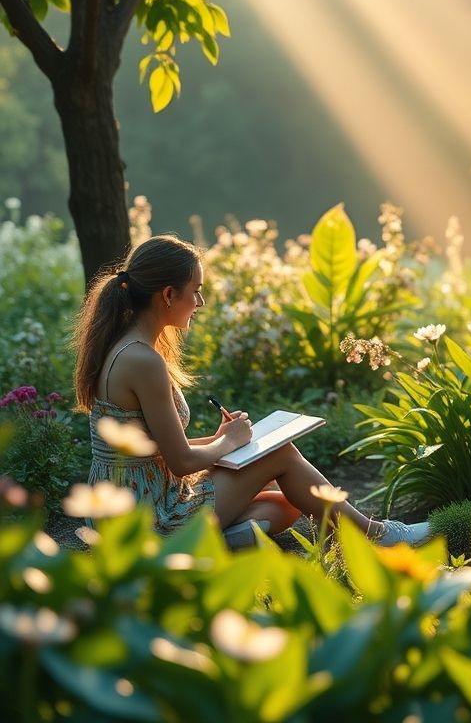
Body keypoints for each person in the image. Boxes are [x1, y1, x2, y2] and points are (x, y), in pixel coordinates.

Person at [73, 234, 430, 547]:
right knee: (281, 455)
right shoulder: (143, 360)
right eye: (196, 292)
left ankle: (219, 543)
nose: (200, 304)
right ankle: (376, 536)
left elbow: (152, 450)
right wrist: (228, 442)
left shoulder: (125, 346)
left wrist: (218, 438)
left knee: (285, 503)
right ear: (168, 294)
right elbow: (180, 463)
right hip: (148, 521)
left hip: (133, 502)